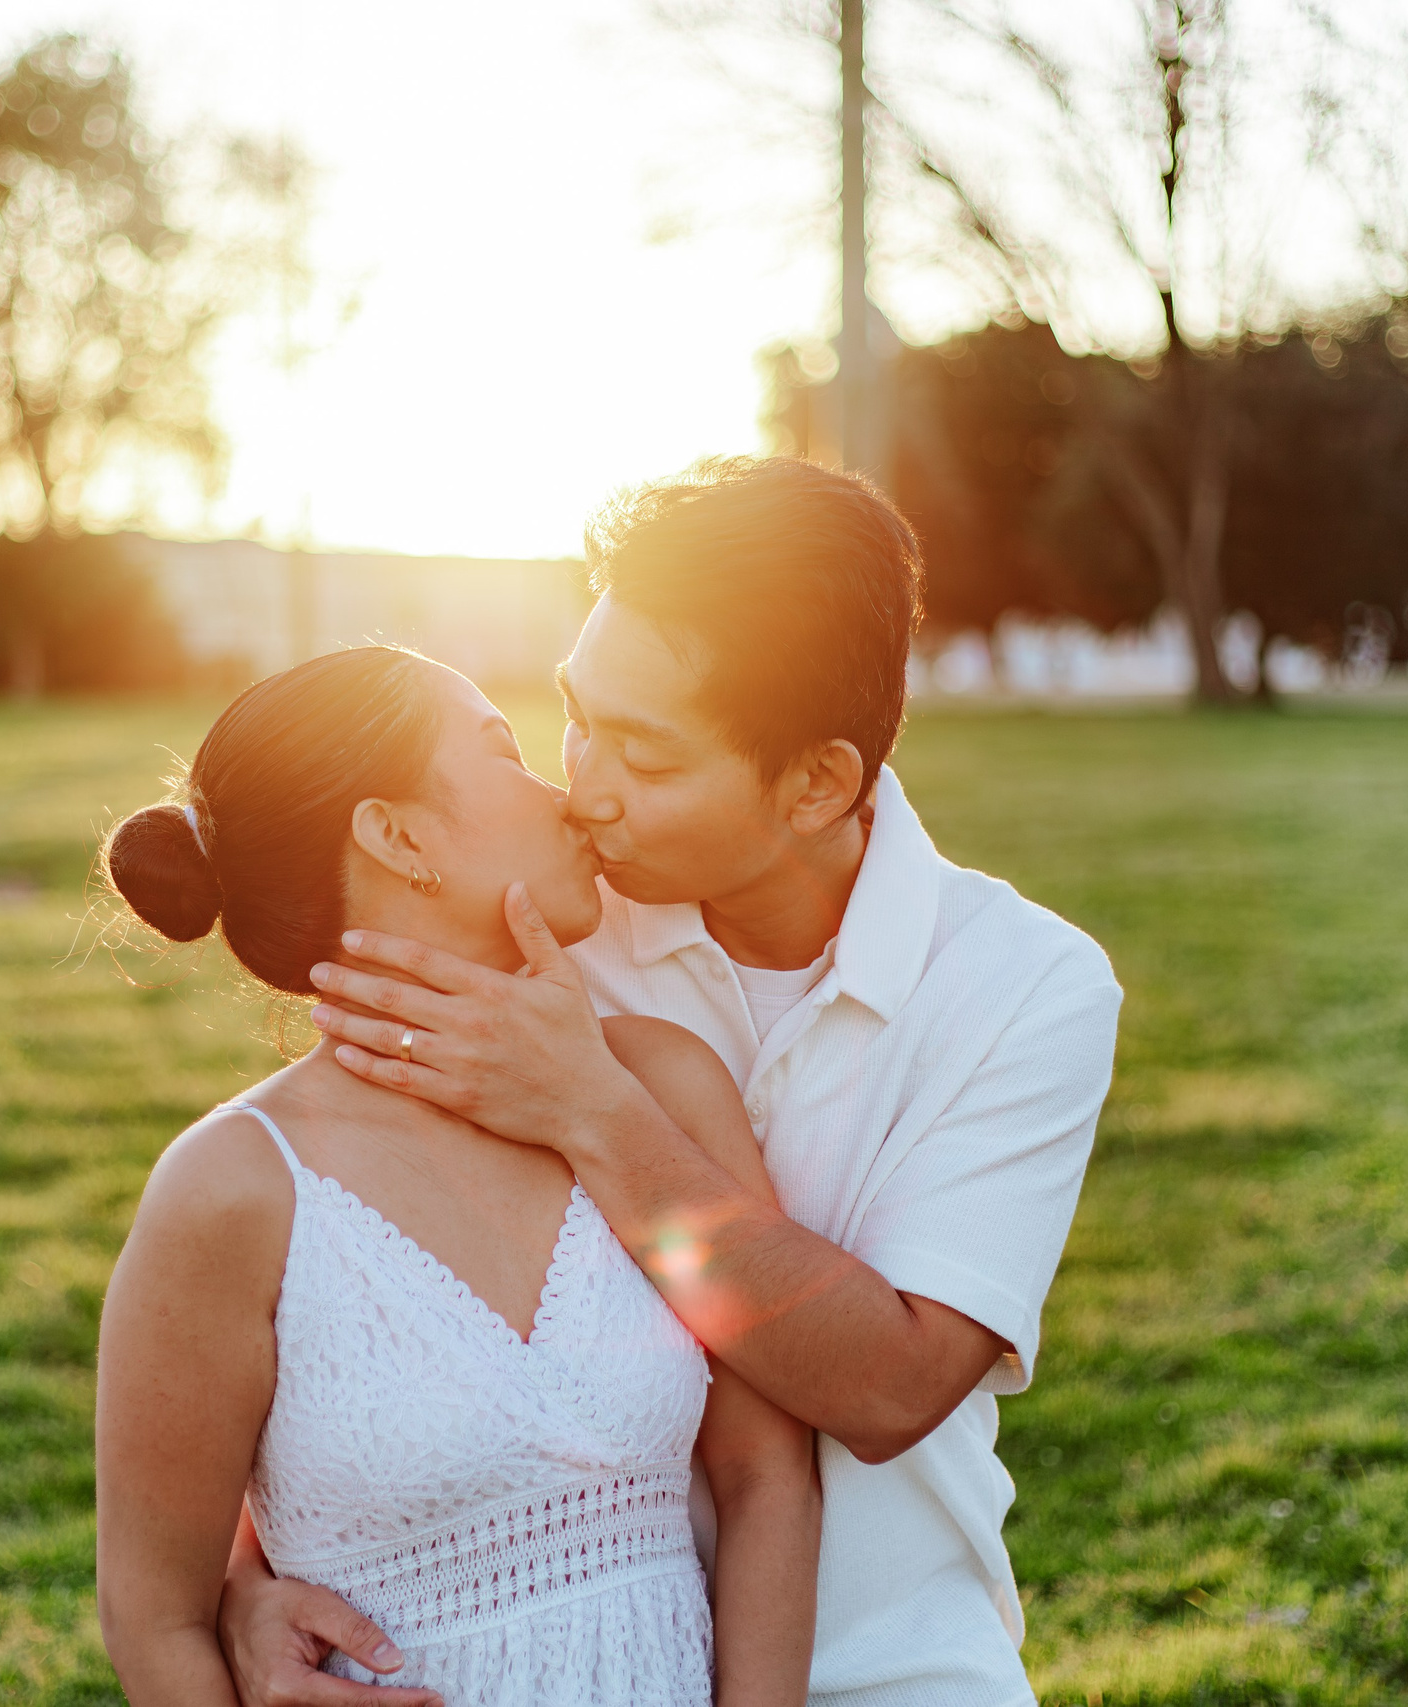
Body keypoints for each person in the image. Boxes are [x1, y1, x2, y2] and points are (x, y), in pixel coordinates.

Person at [227, 457, 1123, 1706]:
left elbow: (887, 1385)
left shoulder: (1026, 990)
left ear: (816, 783)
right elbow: (342, 1272)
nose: (583, 789)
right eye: (575, 716)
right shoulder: (543, 925)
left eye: (642, 756)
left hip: (889, 1663)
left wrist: (595, 1112)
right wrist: (241, 1581)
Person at [93, 644, 821, 1707]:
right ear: (399, 834)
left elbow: (765, 1480)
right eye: (504, 753)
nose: (567, 798)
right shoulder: (234, 1190)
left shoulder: (663, 1089)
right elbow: (154, 1620)